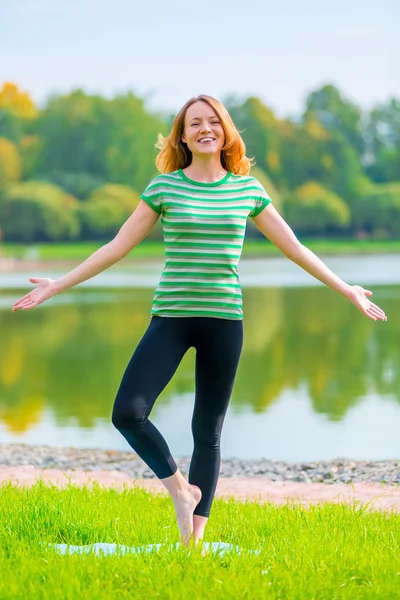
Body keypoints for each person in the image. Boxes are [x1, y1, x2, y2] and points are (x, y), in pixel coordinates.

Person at [12, 94, 387, 549]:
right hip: (171, 316)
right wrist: (58, 284)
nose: (205, 128)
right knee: (127, 412)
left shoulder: (247, 190)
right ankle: (178, 489)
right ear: (183, 136)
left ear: (225, 131)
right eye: (195, 123)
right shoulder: (164, 187)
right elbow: (116, 247)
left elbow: (295, 248)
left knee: (207, 431)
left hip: (224, 322)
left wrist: (346, 288)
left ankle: (194, 544)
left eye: (213, 121)